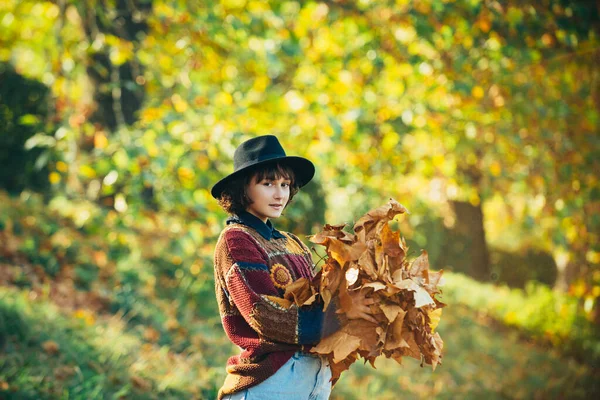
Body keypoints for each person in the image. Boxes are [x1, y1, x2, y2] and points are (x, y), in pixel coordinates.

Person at [211, 135, 375, 400]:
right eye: (268, 183)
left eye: (285, 184)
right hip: (271, 379)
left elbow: (317, 300)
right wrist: (344, 311)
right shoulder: (237, 239)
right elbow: (264, 314)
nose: (280, 194)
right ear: (243, 189)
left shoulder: (293, 242)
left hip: (314, 375)